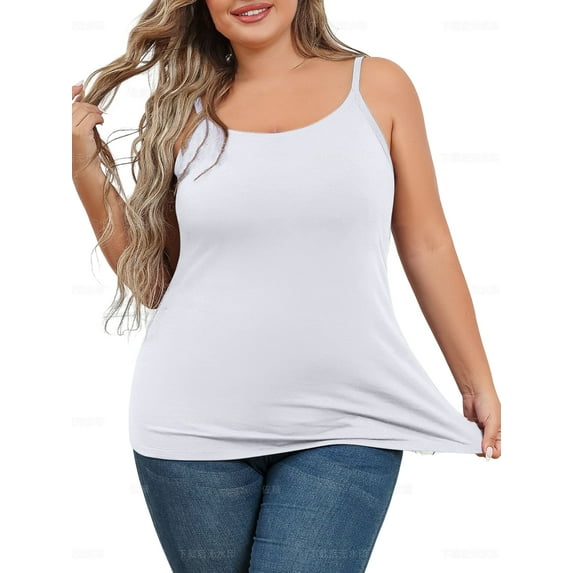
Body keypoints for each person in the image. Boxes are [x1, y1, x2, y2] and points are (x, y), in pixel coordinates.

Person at [71, 1, 502, 571]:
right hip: (191, 426)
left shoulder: (379, 86)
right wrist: (85, 169)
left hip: (350, 418)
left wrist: (475, 380)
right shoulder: (183, 113)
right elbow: (157, 285)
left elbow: (427, 243)